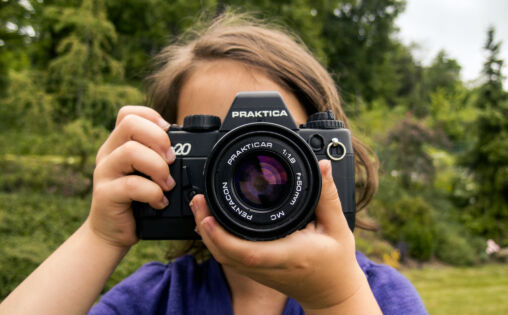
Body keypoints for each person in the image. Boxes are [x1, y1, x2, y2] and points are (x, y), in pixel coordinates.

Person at [0, 12, 427, 315]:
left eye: (276, 142)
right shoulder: (157, 298)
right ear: (170, 160)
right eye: (218, 144)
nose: (254, 171)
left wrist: (336, 300)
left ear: (325, 151)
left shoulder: (374, 294)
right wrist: (100, 237)